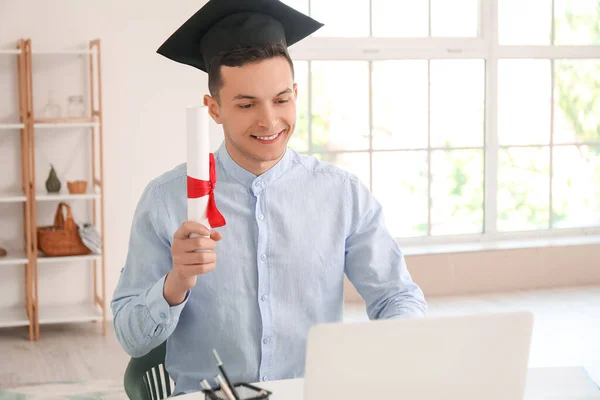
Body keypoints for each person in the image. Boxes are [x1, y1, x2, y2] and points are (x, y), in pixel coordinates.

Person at [111, 0, 427, 395]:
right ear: (214, 109)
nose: (270, 121)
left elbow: (397, 295)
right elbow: (131, 338)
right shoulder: (165, 200)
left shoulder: (341, 194)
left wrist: (395, 347)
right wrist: (176, 282)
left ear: (295, 93)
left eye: (281, 100)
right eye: (246, 105)